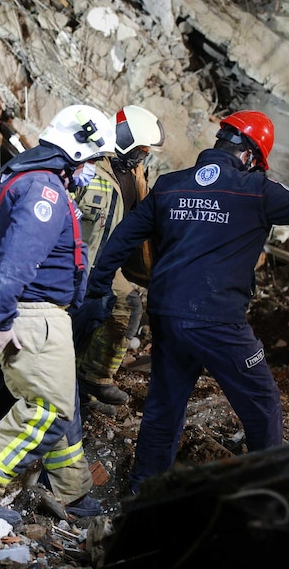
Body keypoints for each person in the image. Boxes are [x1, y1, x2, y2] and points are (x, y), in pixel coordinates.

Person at [85, 110, 289, 494]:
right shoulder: (257, 191)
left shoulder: (169, 186)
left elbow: (121, 239)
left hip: (166, 314)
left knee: (165, 407)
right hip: (218, 321)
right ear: (250, 155)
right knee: (262, 403)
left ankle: (142, 493)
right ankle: (265, 492)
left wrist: (98, 286)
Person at [0, 104, 116, 526]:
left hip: (38, 312)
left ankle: (71, 489)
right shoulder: (45, 189)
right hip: (30, 312)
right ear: (76, 152)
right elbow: (16, 260)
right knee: (46, 411)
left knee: (62, 405)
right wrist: (2, 320)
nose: (94, 169)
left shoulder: (25, 178)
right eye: (93, 159)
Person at [75, 105, 165, 416]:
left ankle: (94, 378)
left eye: (145, 152)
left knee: (129, 306)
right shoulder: (88, 167)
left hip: (106, 262)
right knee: (78, 323)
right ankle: (72, 390)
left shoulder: (135, 175)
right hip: (78, 262)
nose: (143, 156)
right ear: (124, 140)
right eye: (140, 149)